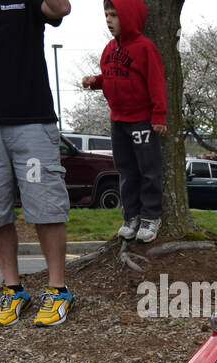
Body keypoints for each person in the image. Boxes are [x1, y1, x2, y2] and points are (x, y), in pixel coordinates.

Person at [0, 0, 73, 329]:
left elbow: (60, 8)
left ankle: (58, 289)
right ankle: (13, 289)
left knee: (45, 205)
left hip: (31, 124)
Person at [82, 0, 167, 244]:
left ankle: (150, 216)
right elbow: (112, 75)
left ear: (129, 17)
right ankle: (131, 216)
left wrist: (159, 115)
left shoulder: (144, 48)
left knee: (148, 171)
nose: (109, 20)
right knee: (126, 171)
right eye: (106, 14)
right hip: (117, 121)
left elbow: (156, 82)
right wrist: (95, 82)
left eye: (114, 15)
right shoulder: (110, 48)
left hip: (141, 121)